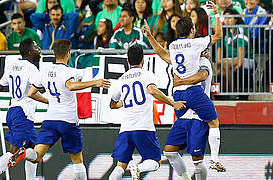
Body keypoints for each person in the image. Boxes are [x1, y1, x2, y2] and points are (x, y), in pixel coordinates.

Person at [142, 2, 225, 179]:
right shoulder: (196, 44)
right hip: (193, 92)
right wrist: (217, 14)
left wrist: (150, 37)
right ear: (192, 30)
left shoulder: (172, 46)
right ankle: (215, 159)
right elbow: (218, 35)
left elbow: (162, 54)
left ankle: (188, 175)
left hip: (177, 94)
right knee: (214, 123)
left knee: (173, 151)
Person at [7, 39, 111, 180]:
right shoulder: (68, 71)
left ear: (55, 53)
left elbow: (31, 92)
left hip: (50, 119)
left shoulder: (45, 71)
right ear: (68, 54)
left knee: (36, 156)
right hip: (68, 120)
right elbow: (71, 86)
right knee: (77, 158)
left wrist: (48, 101)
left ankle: (25, 153)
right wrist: (95, 82)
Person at [108, 45, 186, 180]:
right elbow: (152, 91)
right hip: (143, 127)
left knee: (120, 166)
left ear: (127, 60)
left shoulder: (121, 80)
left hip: (125, 129)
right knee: (155, 162)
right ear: (142, 60)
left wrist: (122, 103)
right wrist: (173, 103)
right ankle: (138, 167)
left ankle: (125, 171)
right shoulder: (147, 74)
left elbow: (112, 104)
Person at [0, 38, 42, 180]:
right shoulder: (32, 68)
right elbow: (40, 88)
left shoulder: (12, 66)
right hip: (23, 112)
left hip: (13, 111)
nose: (39, 49)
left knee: (36, 151)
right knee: (13, 152)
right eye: (36, 47)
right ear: (30, 52)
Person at [216, 8, 254, 92]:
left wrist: (238, 63)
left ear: (236, 19)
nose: (227, 20)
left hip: (246, 59)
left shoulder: (241, 29)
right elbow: (218, 55)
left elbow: (241, 55)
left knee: (224, 65)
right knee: (219, 70)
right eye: (225, 18)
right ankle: (223, 93)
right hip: (230, 60)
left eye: (229, 18)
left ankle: (232, 92)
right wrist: (221, 61)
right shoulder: (225, 31)